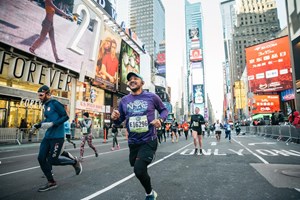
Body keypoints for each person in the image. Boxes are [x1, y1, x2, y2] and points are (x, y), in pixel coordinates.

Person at [111, 72, 168, 200]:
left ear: (142, 83)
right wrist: (114, 118)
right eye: (130, 79)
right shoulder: (124, 100)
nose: (132, 81)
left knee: (139, 170)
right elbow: (118, 121)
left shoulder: (152, 97)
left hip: (149, 139)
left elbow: (164, 110)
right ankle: (146, 178)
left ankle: (150, 193)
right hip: (133, 142)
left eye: (135, 79)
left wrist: (160, 120)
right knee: (138, 167)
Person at [30, 85, 82, 192]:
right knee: (41, 158)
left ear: (48, 94)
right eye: (38, 95)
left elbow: (66, 117)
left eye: (41, 95)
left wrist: (54, 123)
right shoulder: (45, 106)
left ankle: (74, 162)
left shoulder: (55, 103)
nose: (39, 97)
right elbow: (47, 119)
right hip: (48, 136)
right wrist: (37, 125)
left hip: (57, 137)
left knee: (52, 160)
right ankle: (51, 182)